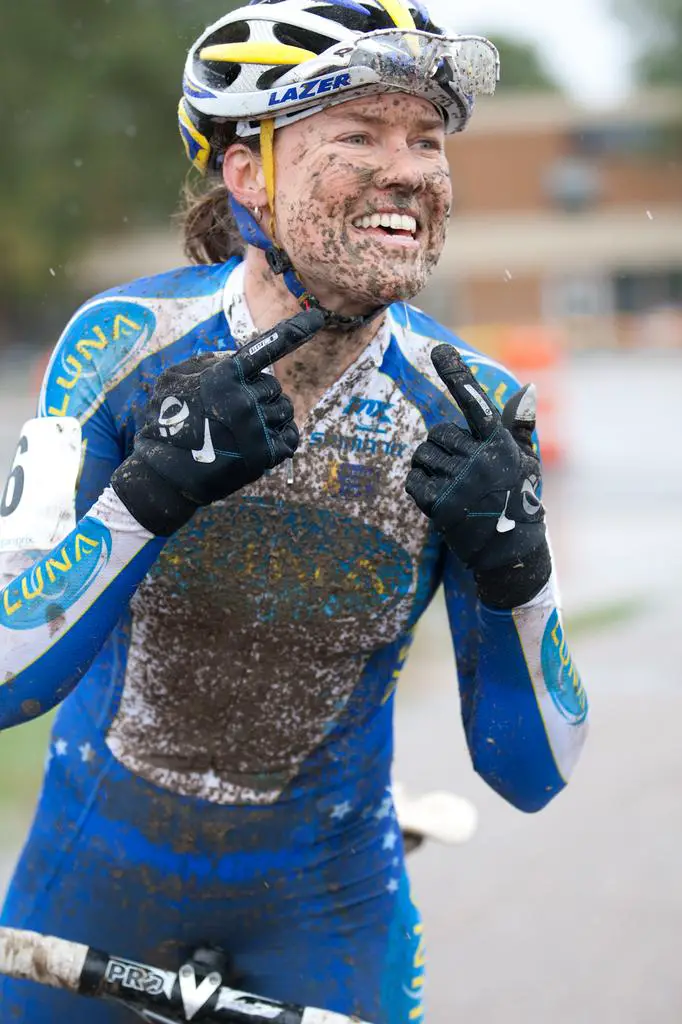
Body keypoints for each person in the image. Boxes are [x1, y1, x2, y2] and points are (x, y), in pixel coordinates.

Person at [0, 1, 589, 1020]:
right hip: (95, 872)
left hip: (328, 898)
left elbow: (534, 770)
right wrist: (147, 497)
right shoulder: (123, 346)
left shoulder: (475, 402)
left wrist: (517, 575)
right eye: (358, 135)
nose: (406, 170)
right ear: (248, 174)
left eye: (425, 140)